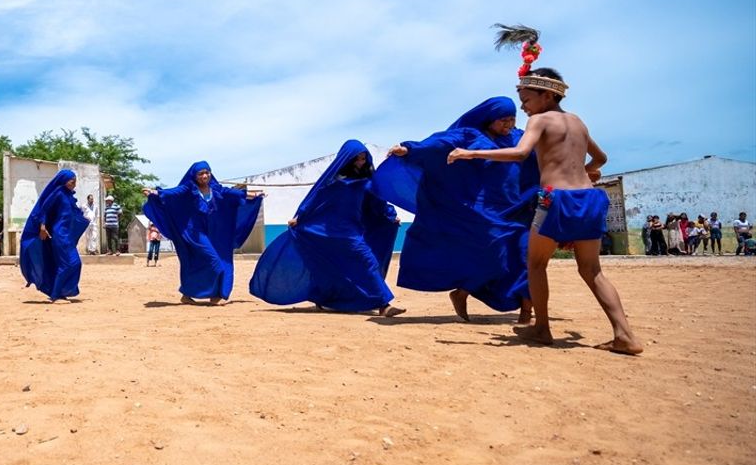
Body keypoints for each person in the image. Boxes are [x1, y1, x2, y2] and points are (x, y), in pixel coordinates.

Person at [448, 60, 642, 355]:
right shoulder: (578, 122)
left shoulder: (539, 121)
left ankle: (542, 328)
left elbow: (521, 153)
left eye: (526, 100)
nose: (523, 108)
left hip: (557, 199)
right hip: (589, 198)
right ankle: (624, 334)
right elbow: (601, 159)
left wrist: (471, 153)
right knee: (592, 270)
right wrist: (585, 171)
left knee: (536, 264)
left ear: (547, 96)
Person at [375, 97, 536, 322]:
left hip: (515, 207)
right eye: (503, 120)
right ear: (489, 119)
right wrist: (409, 149)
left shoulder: (517, 138)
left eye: (512, 119)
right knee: (495, 254)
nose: (508, 125)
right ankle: (464, 292)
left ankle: (525, 313)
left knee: (521, 255)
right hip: (482, 211)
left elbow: (542, 154)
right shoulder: (469, 136)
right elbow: (438, 145)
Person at [250, 140, 403, 315]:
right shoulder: (332, 182)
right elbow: (314, 200)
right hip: (325, 232)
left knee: (368, 262)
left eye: (363, 159)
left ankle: (381, 303)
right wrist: (300, 217)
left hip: (351, 233)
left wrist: (391, 216)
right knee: (331, 268)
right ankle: (380, 305)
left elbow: (378, 204)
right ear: (347, 159)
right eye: (357, 159)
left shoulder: (367, 183)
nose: (361, 162)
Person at [143, 161, 264, 305]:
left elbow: (234, 194)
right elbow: (174, 193)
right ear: (195, 176)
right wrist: (155, 192)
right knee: (215, 262)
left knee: (214, 262)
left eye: (207, 172)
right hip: (194, 233)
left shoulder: (216, 189)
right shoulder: (189, 188)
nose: (205, 176)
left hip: (212, 232)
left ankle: (199, 294)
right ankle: (210, 293)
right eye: (201, 173)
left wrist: (255, 194)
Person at [20, 170, 90, 302]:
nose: (74, 184)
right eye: (72, 181)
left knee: (73, 263)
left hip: (67, 235)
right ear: (64, 180)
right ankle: (56, 295)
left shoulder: (68, 195)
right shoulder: (58, 193)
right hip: (59, 235)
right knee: (69, 263)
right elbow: (44, 209)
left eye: (75, 181)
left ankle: (59, 292)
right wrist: (42, 227)